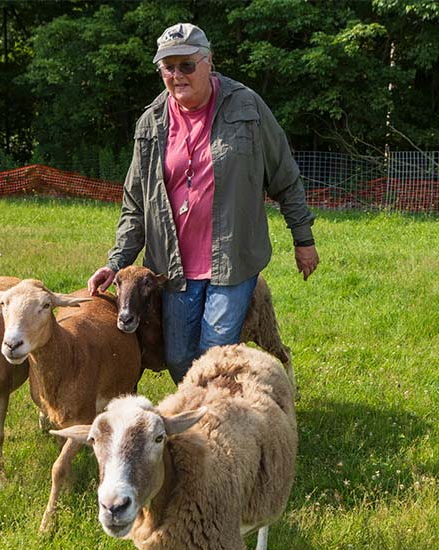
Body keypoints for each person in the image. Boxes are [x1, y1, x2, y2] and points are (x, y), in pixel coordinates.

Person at [87, 22, 319, 383]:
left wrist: (303, 239)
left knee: (213, 351)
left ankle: (214, 428)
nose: (177, 75)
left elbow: (284, 176)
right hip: (174, 266)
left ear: (209, 61)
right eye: (168, 67)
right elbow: (135, 203)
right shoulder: (151, 123)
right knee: (178, 357)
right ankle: (204, 409)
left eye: (186, 65)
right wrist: (116, 262)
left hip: (233, 258)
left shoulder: (247, 107)